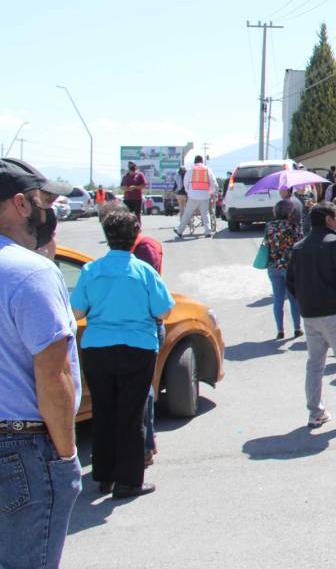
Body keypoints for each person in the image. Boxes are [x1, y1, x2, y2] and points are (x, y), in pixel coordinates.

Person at [0, 158, 82, 568]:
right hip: (22, 451)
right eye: (40, 200)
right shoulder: (31, 273)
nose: (47, 210)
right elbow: (54, 376)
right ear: (20, 204)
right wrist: (66, 457)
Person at [71, 210, 175, 498]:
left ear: (107, 237)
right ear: (134, 237)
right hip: (137, 348)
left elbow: (77, 311)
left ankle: (103, 475)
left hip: (97, 349)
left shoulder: (91, 271)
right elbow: (164, 310)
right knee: (131, 414)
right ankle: (129, 481)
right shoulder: (144, 272)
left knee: (104, 411)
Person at [286, 202, 336, 429]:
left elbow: (290, 282)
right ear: (328, 219)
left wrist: (305, 301)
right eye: (335, 216)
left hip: (310, 314)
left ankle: (315, 413)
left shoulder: (299, 247)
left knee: (315, 364)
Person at [264, 199, 303, 339]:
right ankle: (297, 328)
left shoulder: (269, 226)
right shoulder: (294, 226)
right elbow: (300, 243)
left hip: (273, 265)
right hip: (290, 266)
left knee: (278, 298)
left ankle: (280, 330)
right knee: (293, 299)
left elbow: (267, 242)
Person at [174, 155, 216, 238]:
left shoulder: (190, 170)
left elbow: (185, 183)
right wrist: (211, 192)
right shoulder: (207, 170)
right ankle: (207, 231)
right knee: (205, 213)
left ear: (195, 161)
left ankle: (179, 231)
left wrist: (188, 192)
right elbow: (213, 182)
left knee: (187, 213)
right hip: (205, 195)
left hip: (193, 196)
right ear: (202, 161)